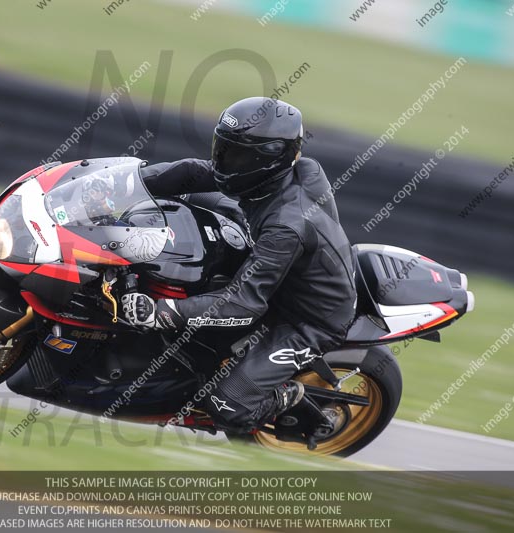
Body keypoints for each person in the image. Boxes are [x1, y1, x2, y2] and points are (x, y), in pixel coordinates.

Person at [121, 97, 357, 440]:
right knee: (180, 200)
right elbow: (192, 172)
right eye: (224, 149)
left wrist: (163, 312)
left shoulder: (286, 225)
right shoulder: (275, 176)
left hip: (307, 319)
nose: (224, 162)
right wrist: (126, 184)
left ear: (271, 160)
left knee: (228, 405)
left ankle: (288, 397)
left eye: (239, 156)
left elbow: (244, 303)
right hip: (278, 269)